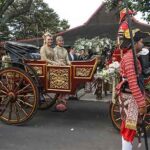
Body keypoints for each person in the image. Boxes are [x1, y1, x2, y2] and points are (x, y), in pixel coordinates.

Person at [116, 29, 149, 150]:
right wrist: (141, 103)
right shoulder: (130, 58)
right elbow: (133, 83)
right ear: (135, 43)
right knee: (128, 129)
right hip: (130, 98)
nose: (143, 43)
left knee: (129, 128)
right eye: (141, 41)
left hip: (131, 96)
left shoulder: (133, 56)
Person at [54, 36, 71, 111]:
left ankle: (63, 100)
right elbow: (55, 59)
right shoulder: (54, 49)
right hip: (58, 67)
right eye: (60, 41)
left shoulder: (65, 50)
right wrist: (61, 64)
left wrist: (69, 63)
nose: (61, 42)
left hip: (65, 67)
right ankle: (60, 101)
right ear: (57, 42)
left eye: (62, 41)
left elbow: (67, 59)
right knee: (63, 84)